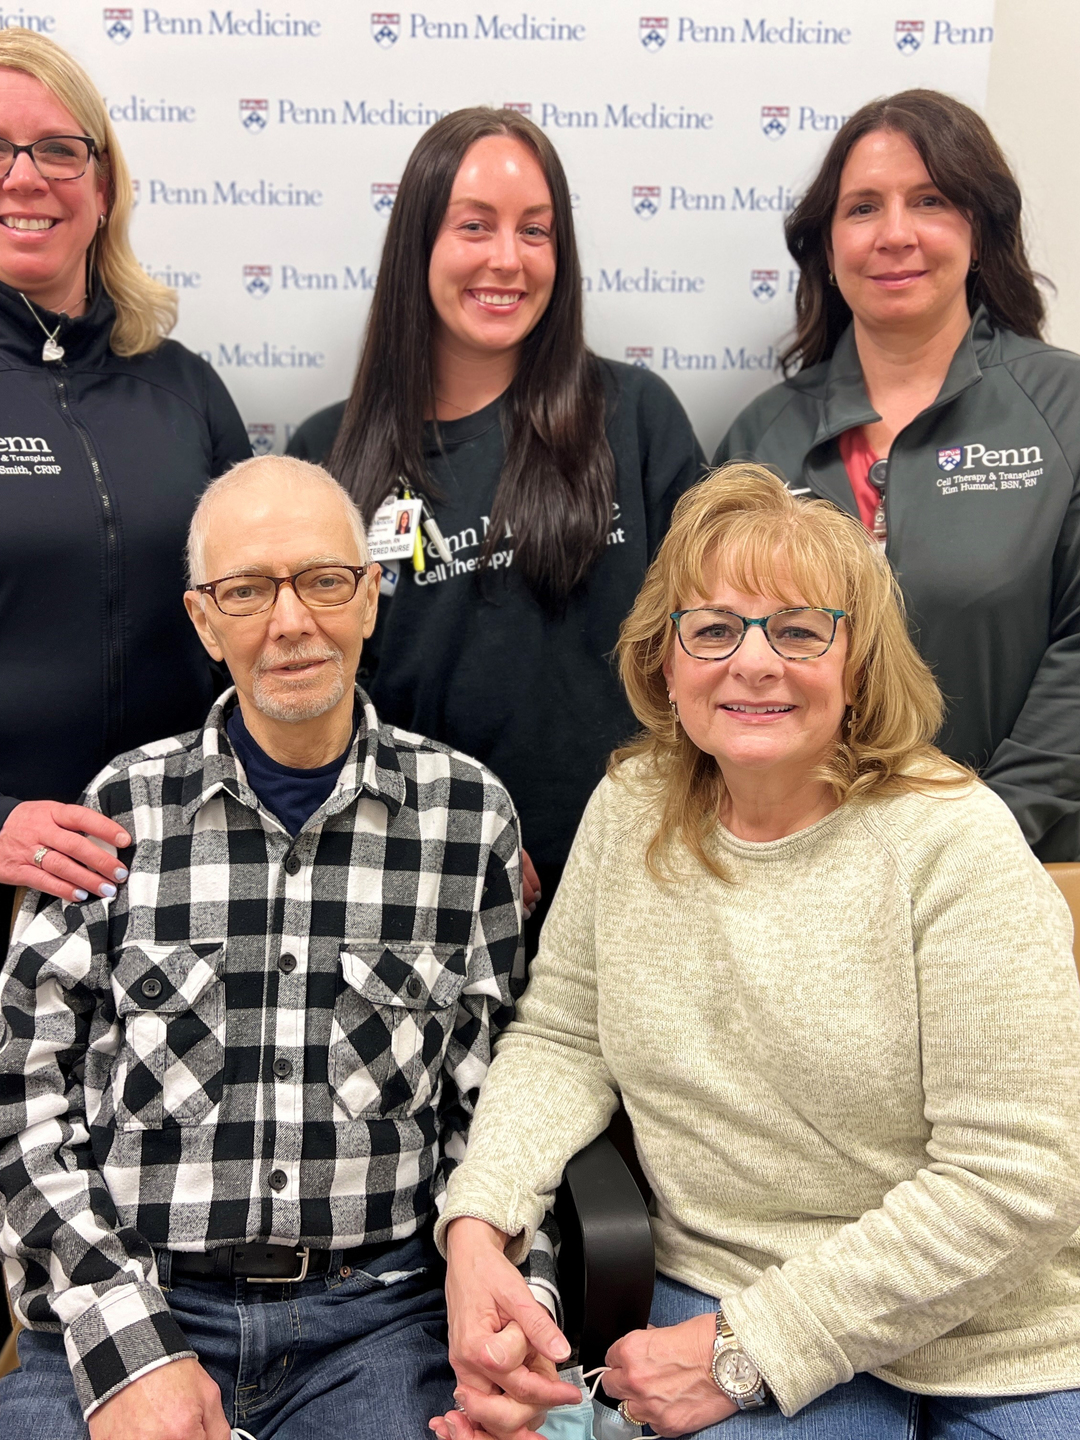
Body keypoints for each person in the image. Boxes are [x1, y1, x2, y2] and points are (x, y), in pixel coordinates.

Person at [432, 466, 1080, 1440]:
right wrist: (480, 1224)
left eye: (800, 630)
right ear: (666, 659)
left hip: (986, 1334)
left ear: (856, 663)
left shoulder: (957, 840)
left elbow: (1018, 1177)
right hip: (727, 1282)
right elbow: (565, 1037)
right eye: (715, 628)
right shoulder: (631, 810)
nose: (755, 662)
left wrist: (752, 1346)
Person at [0, 456, 558, 1439]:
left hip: (380, 1328)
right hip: (136, 1303)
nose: (291, 622)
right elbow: (25, 1099)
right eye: (247, 591)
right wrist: (134, 1349)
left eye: (324, 580)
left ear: (372, 596)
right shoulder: (116, 811)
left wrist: (519, 1320)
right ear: (204, 622)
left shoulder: (470, 820)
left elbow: (507, 1105)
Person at [288, 107, 704, 934]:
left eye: (537, 231)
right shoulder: (326, 456)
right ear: (419, 245)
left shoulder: (635, 417)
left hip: (635, 884)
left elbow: (708, 641)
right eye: (474, 226)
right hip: (412, 891)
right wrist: (455, 834)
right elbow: (313, 696)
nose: (507, 260)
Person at [713, 88, 1080, 863]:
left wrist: (987, 837)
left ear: (979, 231)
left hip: (1030, 865)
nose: (896, 235)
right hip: (810, 876)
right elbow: (717, 659)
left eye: (931, 201)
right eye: (863, 208)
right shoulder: (759, 438)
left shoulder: (1065, 408)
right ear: (828, 243)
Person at [0, 27, 251, 943]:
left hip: (183, 880)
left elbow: (270, 621)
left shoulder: (183, 386)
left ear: (103, 190)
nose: (26, 177)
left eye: (60, 150)